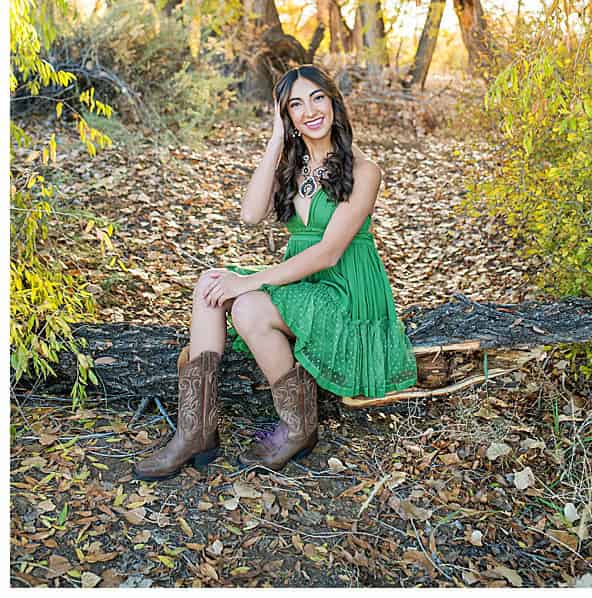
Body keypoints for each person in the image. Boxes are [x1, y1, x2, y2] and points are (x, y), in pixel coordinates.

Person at [132, 65, 418, 480]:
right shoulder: (294, 164)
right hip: (306, 285)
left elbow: (328, 253)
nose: (310, 111)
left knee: (247, 307)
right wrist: (274, 142)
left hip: (346, 291)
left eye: (317, 98)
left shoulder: (364, 170)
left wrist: (249, 281)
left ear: (334, 102)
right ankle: (195, 431)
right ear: (286, 116)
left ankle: (299, 427)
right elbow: (250, 215)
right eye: (295, 105)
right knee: (210, 282)